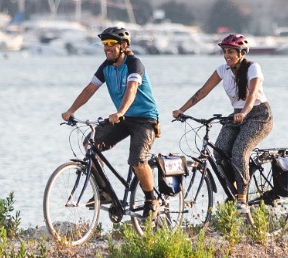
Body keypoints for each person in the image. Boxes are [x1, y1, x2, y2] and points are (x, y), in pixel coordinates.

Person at [61, 25, 161, 212]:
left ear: (123, 45)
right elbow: (89, 89)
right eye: (104, 44)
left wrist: (121, 111)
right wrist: (71, 110)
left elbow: (131, 89)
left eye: (111, 43)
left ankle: (151, 200)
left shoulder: (134, 63)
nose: (106, 47)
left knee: (137, 160)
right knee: (90, 145)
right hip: (123, 119)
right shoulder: (106, 67)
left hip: (145, 119)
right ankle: (104, 191)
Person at [172, 33, 272, 205]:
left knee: (239, 151)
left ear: (241, 53)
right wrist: (182, 110)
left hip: (259, 116)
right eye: (225, 51)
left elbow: (253, 93)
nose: (227, 55)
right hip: (237, 115)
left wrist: (244, 113)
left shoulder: (252, 68)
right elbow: (202, 92)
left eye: (231, 52)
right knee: (219, 150)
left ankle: (242, 198)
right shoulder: (222, 70)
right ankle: (232, 191)